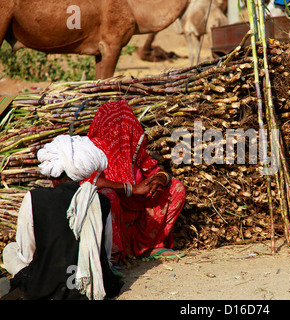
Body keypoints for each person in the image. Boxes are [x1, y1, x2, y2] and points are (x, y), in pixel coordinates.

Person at [1, 135, 123, 300]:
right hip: (92, 283)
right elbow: (105, 252)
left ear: (52, 173)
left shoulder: (34, 198)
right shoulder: (100, 201)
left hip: (45, 286)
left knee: (10, 250)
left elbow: (27, 255)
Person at [83, 100, 186, 264]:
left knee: (175, 187)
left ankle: (148, 246)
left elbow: (154, 169)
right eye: (117, 128)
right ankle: (113, 254)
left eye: (125, 128)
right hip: (113, 219)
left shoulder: (132, 149)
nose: (121, 133)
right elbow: (91, 182)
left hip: (138, 216)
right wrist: (132, 189)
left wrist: (160, 178)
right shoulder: (92, 152)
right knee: (106, 196)